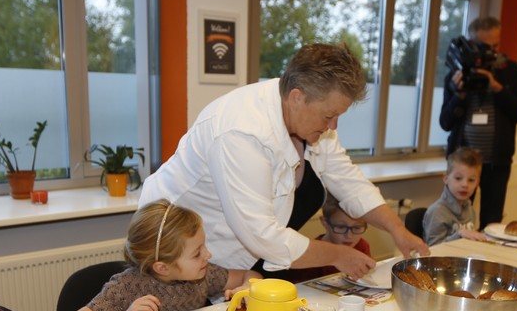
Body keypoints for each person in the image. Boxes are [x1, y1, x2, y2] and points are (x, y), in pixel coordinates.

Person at [139, 42, 428, 281]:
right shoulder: (241, 132)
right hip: (178, 255)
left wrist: (398, 230)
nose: (334, 126)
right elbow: (261, 234)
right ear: (297, 97)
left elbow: (348, 181)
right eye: (329, 116)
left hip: (240, 260)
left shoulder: (307, 119)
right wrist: (338, 255)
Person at [64, 200, 258, 311]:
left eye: (204, 247)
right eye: (197, 253)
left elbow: (250, 274)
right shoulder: (128, 285)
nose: (208, 255)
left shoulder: (203, 274)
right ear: (163, 268)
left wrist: (247, 288)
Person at [438, 16, 517, 228]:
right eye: (483, 46)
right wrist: (459, 95)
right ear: (471, 43)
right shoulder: (456, 74)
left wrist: (498, 88)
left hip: (496, 162)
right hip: (462, 163)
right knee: (455, 220)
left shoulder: (512, 71)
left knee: (492, 222)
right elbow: (445, 122)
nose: (490, 51)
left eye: (495, 46)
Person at [286, 194, 373, 284]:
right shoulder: (311, 255)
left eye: (357, 227)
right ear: (325, 222)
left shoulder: (362, 246)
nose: (349, 236)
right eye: (341, 227)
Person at [423, 148, 490, 246]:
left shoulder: (470, 210)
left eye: (471, 180)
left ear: (477, 183)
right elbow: (433, 248)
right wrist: (459, 234)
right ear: (446, 178)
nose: (465, 185)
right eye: (458, 178)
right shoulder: (437, 212)